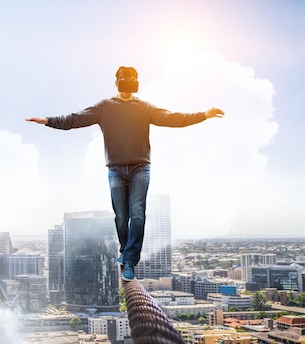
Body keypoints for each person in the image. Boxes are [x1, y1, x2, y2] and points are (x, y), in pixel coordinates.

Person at [26, 66, 224, 281]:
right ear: (117, 82)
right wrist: (48, 121)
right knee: (121, 217)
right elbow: (75, 119)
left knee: (137, 214)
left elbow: (173, 118)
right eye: (124, 79)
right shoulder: (105, 107)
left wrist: (204, 115)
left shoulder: (144, 107)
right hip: (116, 169)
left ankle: (130, 261)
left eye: (132, 79)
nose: (128, 83)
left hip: (140, 167)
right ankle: (124, 251)